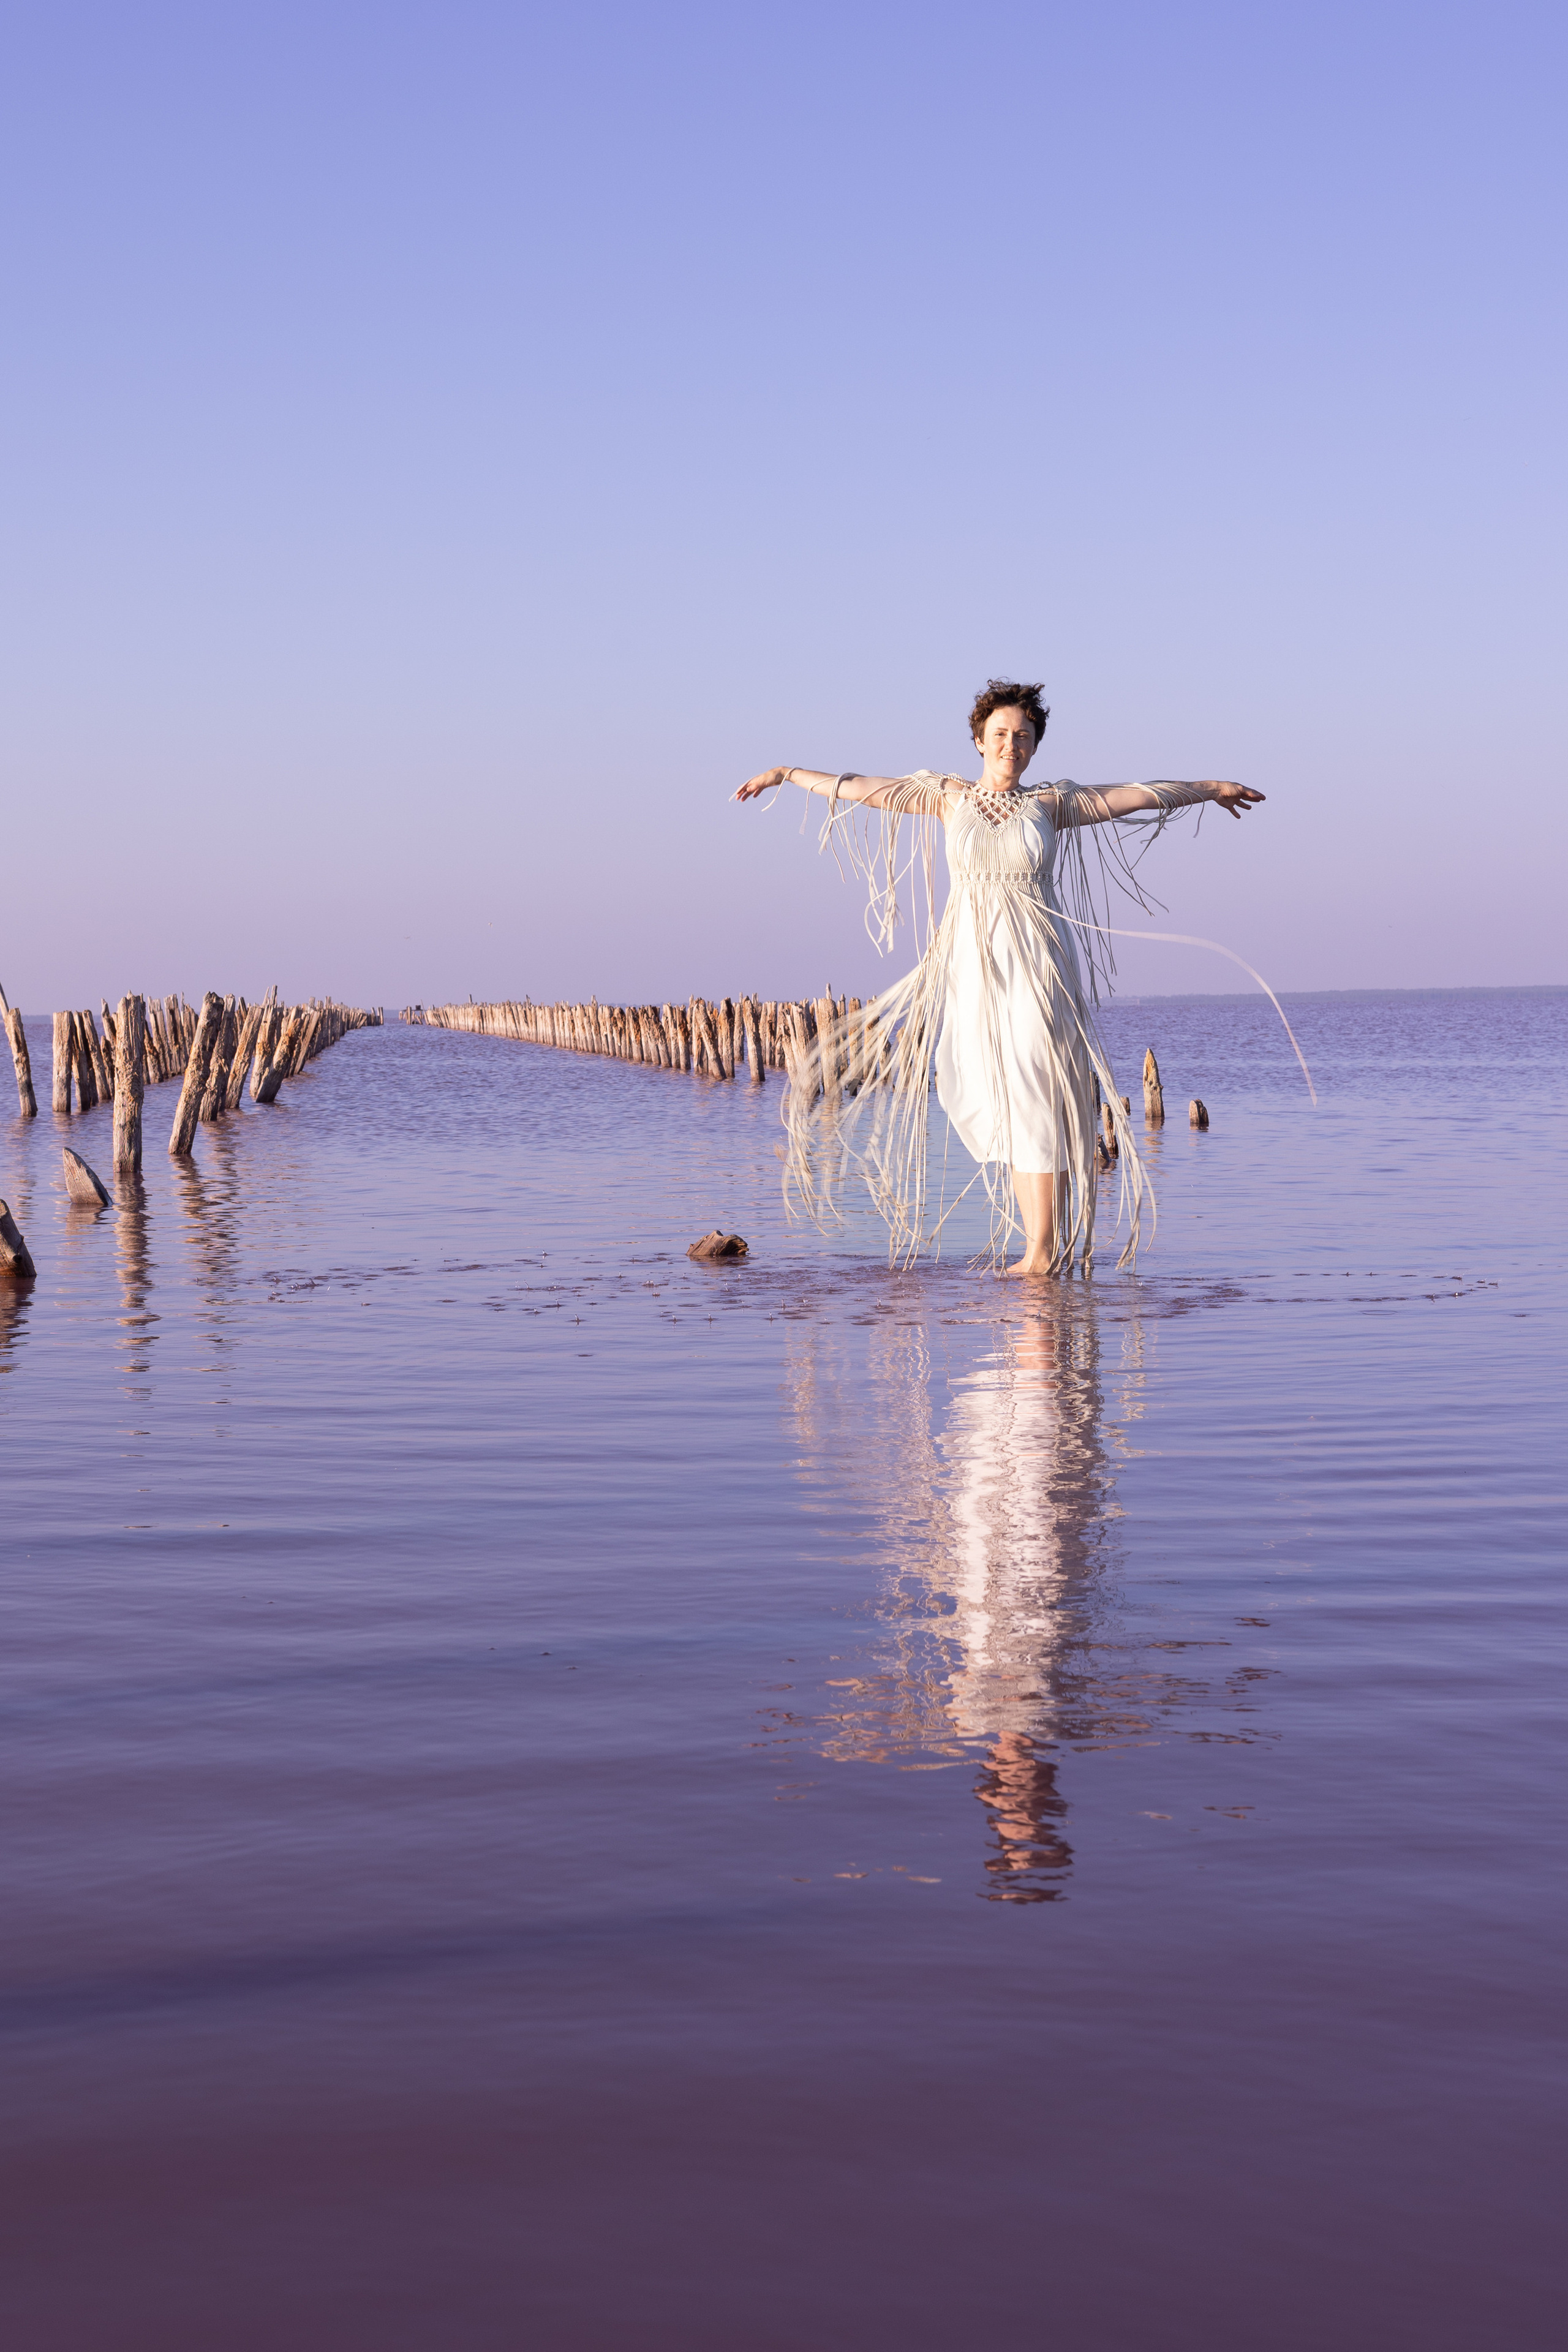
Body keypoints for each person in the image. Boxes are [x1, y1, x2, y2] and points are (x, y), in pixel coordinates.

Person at [734, 679, 1264, 1272]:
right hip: (970, 971)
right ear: (980, 741)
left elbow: (1135, 796)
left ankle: (1040, 1252)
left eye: (1023, 737)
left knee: (1041, 1095)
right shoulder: (946, 798)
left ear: (1035, 746)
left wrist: (1211, 789)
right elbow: (863, 789)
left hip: (1038, 967)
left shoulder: (1050, 804)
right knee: (1004, 1102)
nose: (1011, 745)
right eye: (1001, 735)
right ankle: (1042, 1245)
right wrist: (786, 773)